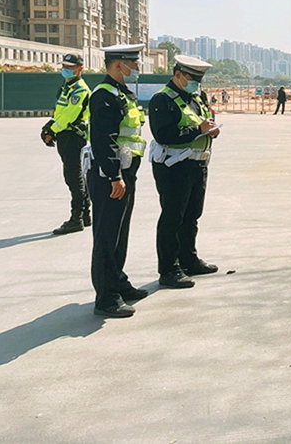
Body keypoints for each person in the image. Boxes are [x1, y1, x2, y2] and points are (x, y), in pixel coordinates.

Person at [148, 56, 221, 289]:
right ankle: (169, 269)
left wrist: (210, 130)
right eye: (192, 78)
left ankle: (189, 259)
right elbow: (163, 134)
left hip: (197, 164)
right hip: (174, 166)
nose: (196, 83)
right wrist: (198, 129)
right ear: (178, 74)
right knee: (173, 217)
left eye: (199, 80)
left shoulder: (196, 97)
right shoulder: (162, 100)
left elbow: (205, 122)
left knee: (192, 215)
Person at [87, 43, 148, 317]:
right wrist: (114, 175)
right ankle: (106, 298)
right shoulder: (104, 95)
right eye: (133, 64)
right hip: (110, 176)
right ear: (119, 65)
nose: (137, 68)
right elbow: (104, 139)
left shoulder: (123, 93)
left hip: (125, 173)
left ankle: (118, 282)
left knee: (119, 233)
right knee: (106, 236)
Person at [41, 53, 93, 235]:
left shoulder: (80, 89)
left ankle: (76, 218)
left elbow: (69, 116)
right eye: (64, 66)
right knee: (75, 175)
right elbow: (60, 112)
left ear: (80, 69)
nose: (65, 70)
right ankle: (85, 214)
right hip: (65, 135)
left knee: (73, 176)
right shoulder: (68, 87)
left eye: (70, 67)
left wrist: (52, 130)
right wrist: (50, 125)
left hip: (72, 136)